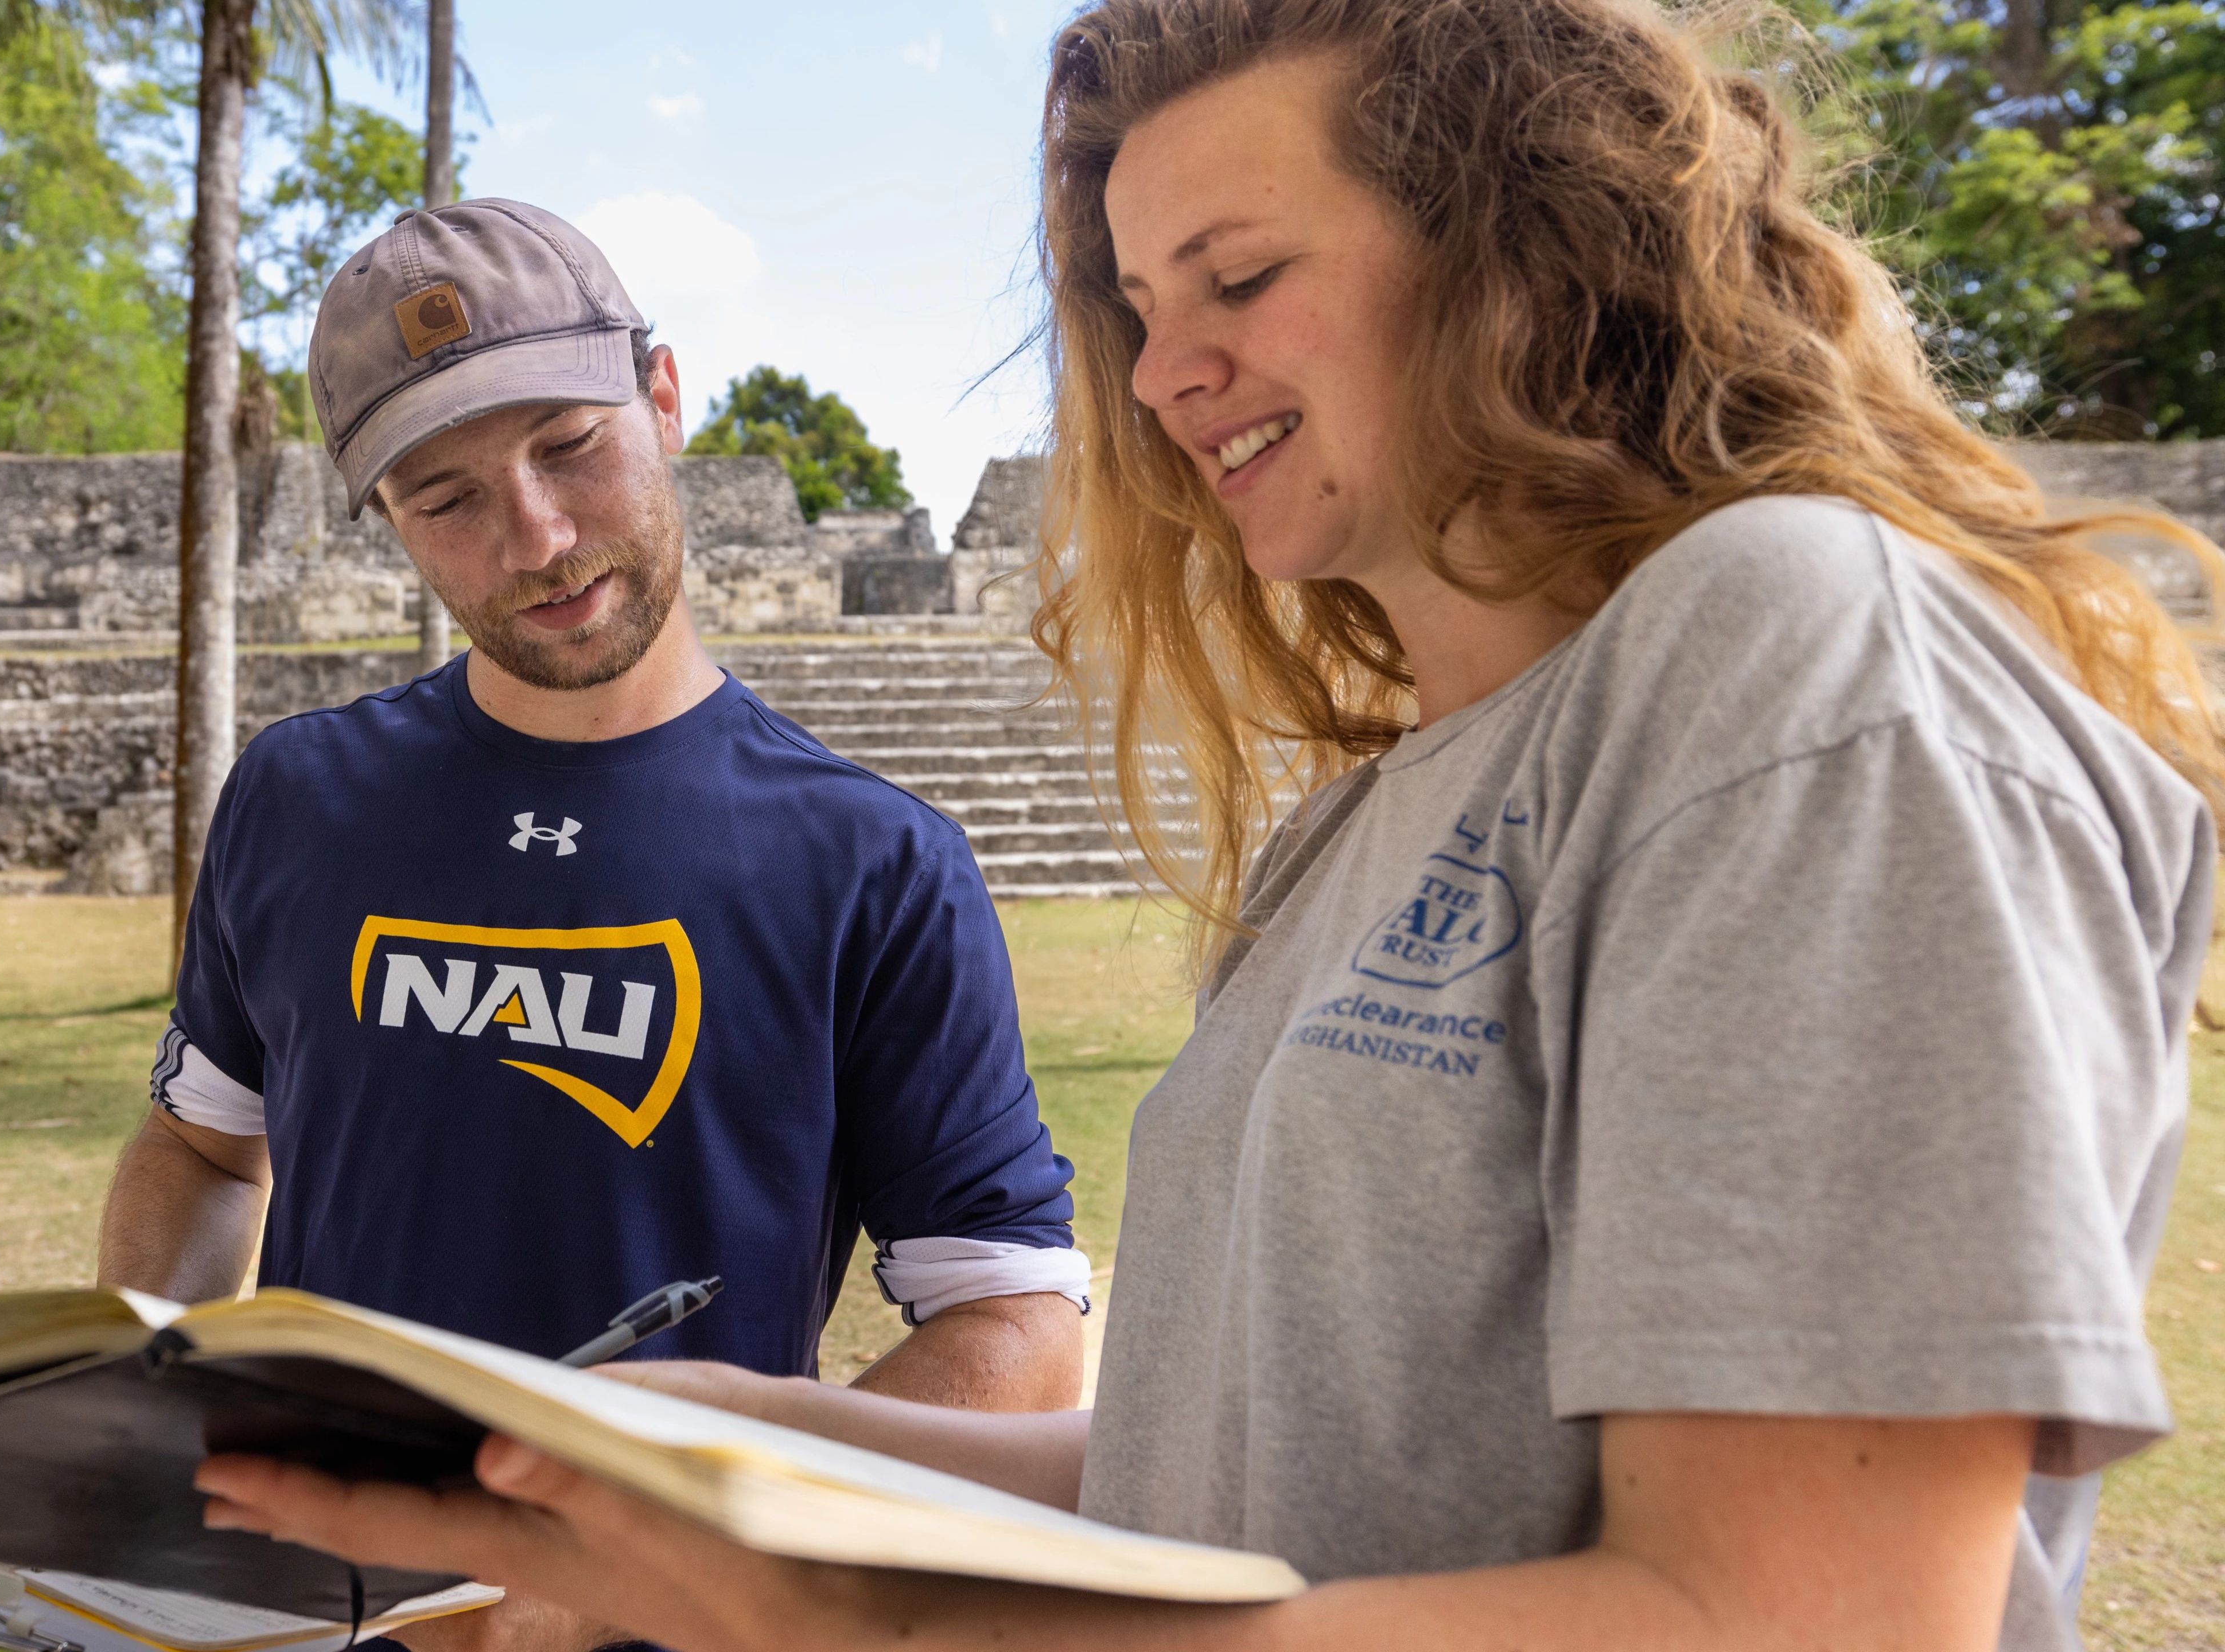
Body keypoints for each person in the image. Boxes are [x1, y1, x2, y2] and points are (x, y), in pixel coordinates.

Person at [190, 3, 2222, 1650]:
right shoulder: (1368, 824)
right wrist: (741, 1443)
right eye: (1139, 303)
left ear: (1530, 245)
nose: (1165, 374)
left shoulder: (1792, 661)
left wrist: (862, 1614)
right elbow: (1225, 1486)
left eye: (1239, 276)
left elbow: (1808, 1621)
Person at [95, 198, 1092, 1651]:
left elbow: (1014, 1327)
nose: (540, 538)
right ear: (386, 522)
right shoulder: (301, 799)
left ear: (664, 396)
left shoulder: (870, 860)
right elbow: (199, 1146)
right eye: (447, 500)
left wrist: (646, 1563)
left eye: (569, 446)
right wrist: (132, 1416)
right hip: (313, 1616)